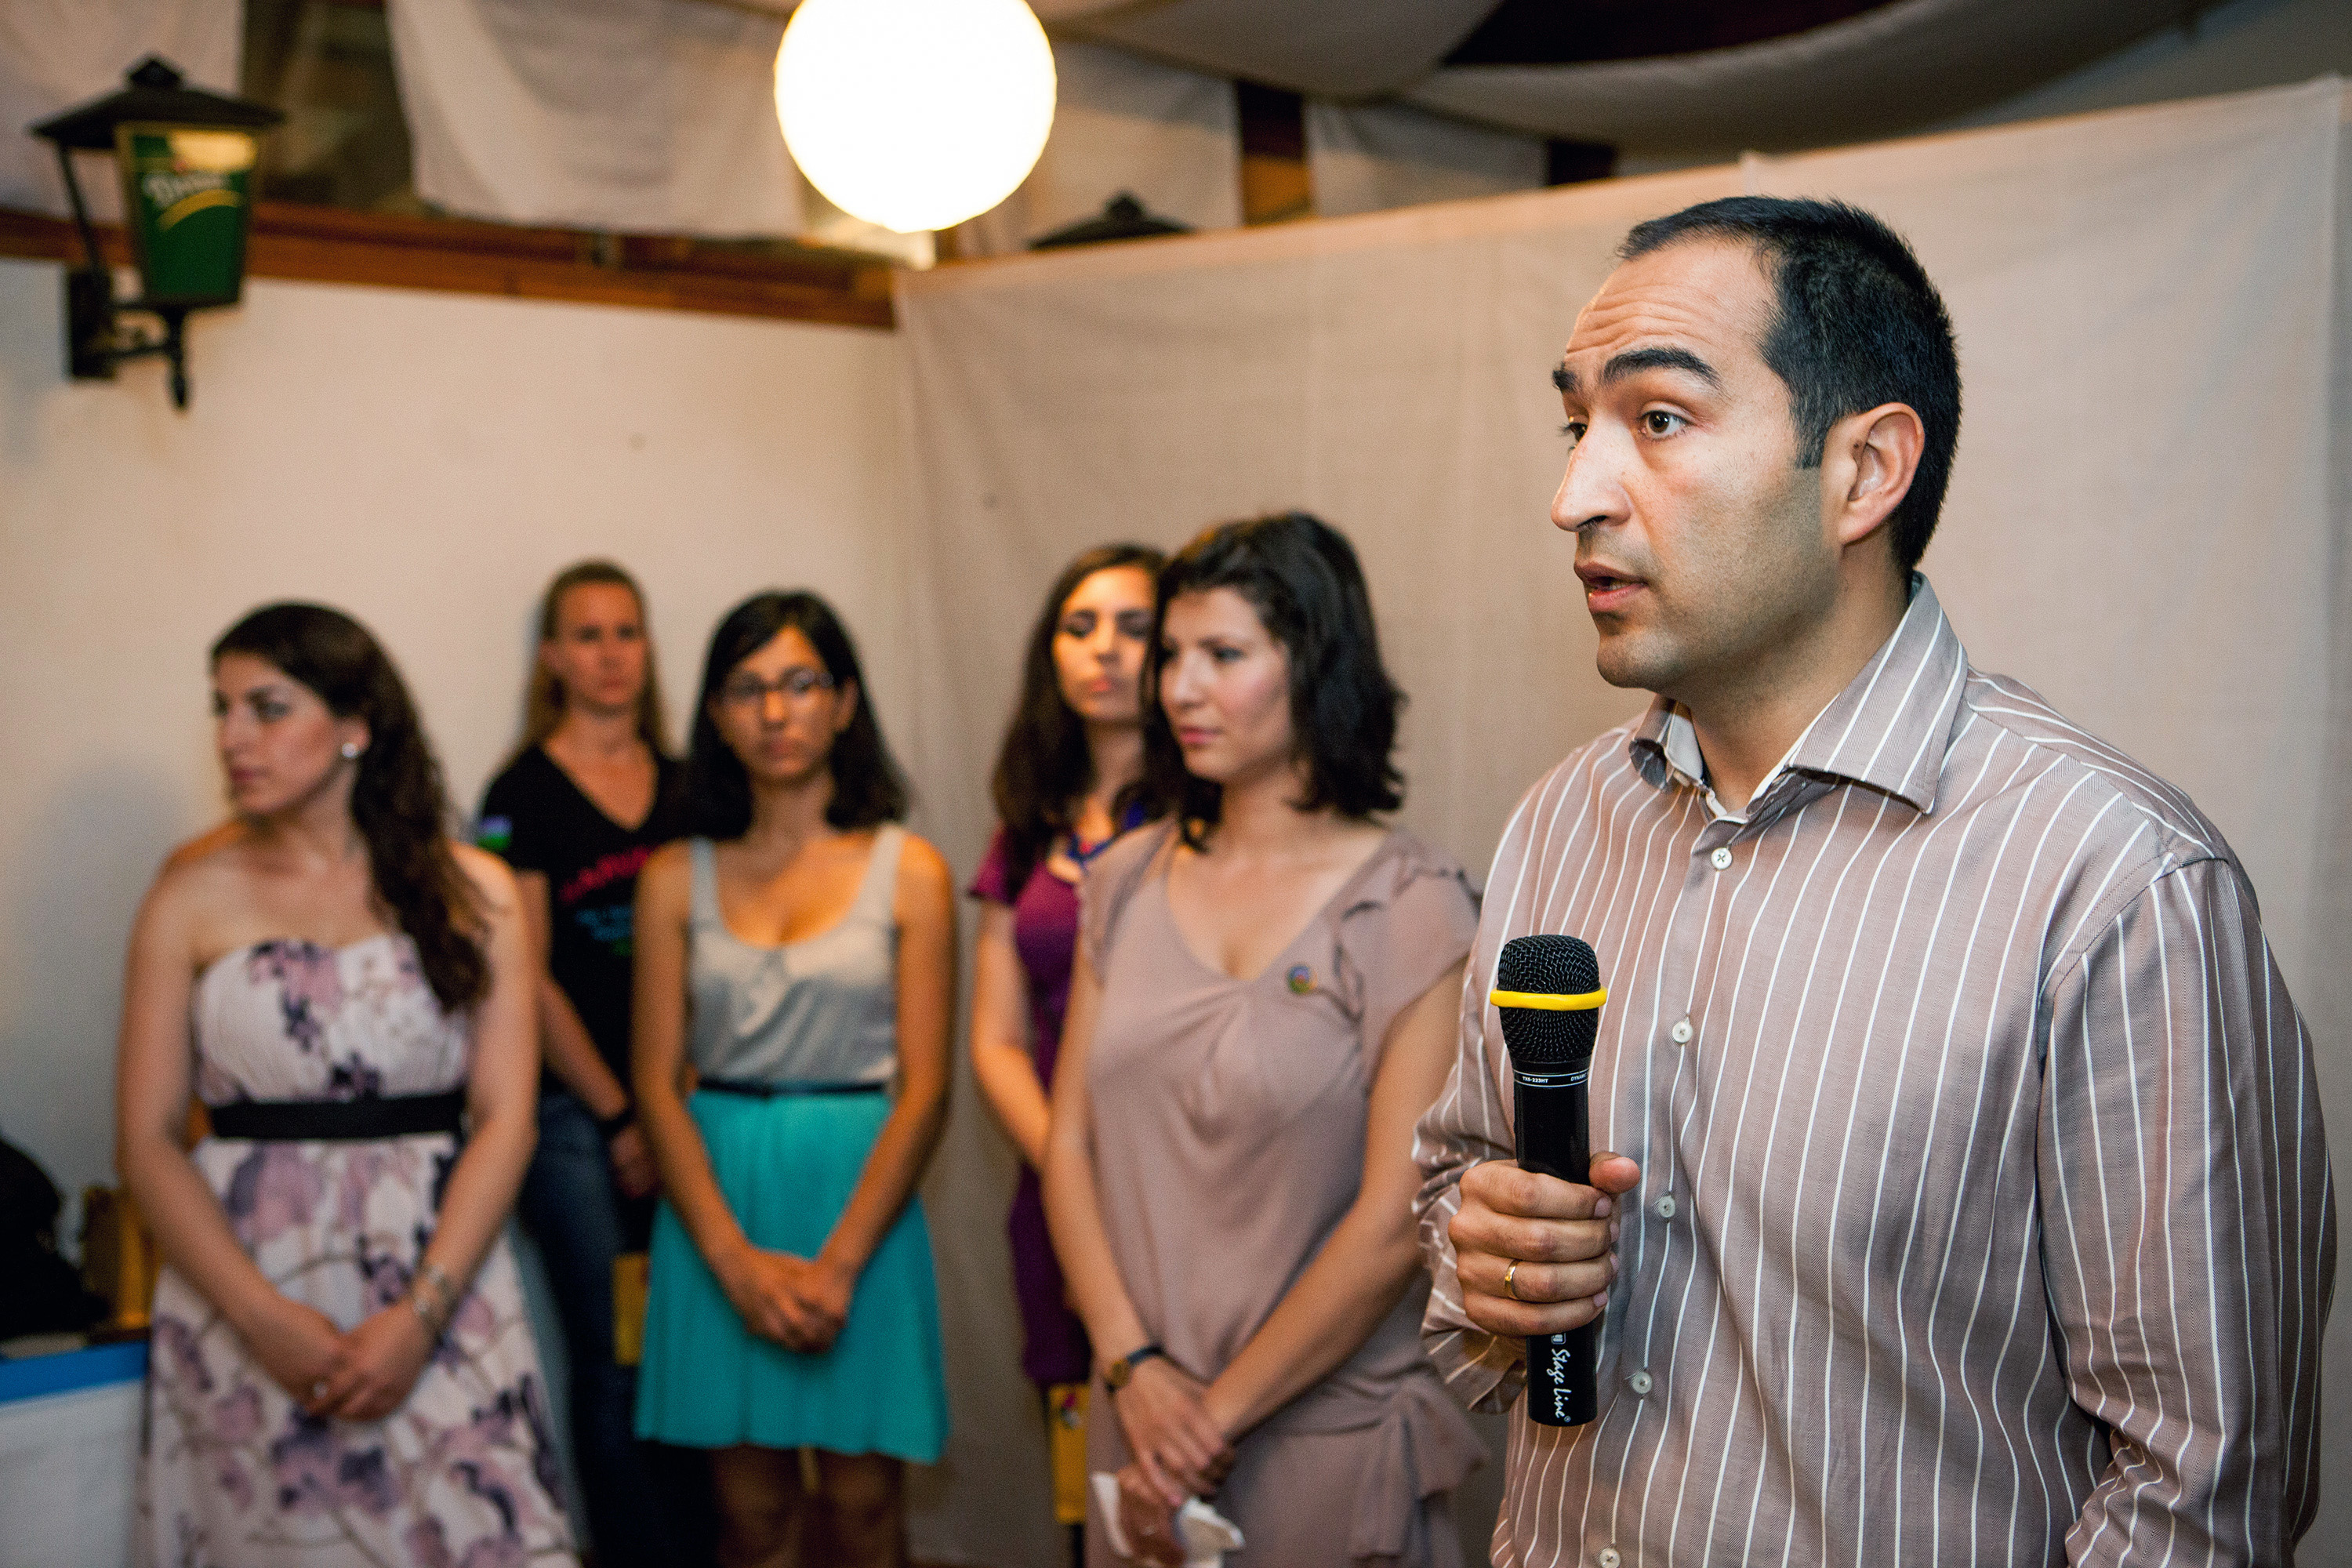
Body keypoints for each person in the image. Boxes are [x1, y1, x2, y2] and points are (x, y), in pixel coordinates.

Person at [1414, 197, 2334, 1566]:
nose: (1577, 497)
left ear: (1864, 471)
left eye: (1658, 419)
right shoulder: (1565, 820)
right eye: (1576, 427)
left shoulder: (2115, 883)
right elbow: (1460, 1179)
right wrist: (1487, 1254)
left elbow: (2202, 1489)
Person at [1045, 513, 1486, 1568]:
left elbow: (1394, 1219)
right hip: (1140, 1414)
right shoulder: (1125, 879)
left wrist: (1208, 1418)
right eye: (1173, 656)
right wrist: (1133, 1367)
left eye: (1224, 654)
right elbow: (1068, 1143)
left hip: (1318, 1434)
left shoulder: (1412, 907)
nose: (1179, 689)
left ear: (1316, 668)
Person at [116, 602, 575, 1567]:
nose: (233, 737)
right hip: (247, 1285)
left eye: (268, 707)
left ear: (356, 724)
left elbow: (507, 1116)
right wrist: (261, 1318)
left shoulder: (474, 890)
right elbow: (147, 1139)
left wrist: (421, 1314)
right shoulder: (187, 893)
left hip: (441, 1279)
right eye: (222, 708)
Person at [631, 590, 954, 1568]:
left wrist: (839, 1264)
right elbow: (654, 1081)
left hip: (860, 1197)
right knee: (752, 1519)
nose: (776, 712)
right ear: (716, 713)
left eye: (801, 683)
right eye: (748, 688)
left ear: (845, 702)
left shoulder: (911, 869)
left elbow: (928, 1089)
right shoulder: (672, 874)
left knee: (862, 1510)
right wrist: (734, 1263)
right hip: (716, 1200)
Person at [476, 561, 706, 1566]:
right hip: (577, 1123)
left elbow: (716, 954)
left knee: (689, 1353)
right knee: (615, 1362)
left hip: (688, 1106)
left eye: (626, 631)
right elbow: (522, 973)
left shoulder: (693, 784)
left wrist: (673, 1104)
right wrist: (620, 1114)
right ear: (552, 658)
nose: (610, 654)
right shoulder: (518, 794)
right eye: (587, 634)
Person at [967, 543, 1166, 1556]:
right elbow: (994, 1036)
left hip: (1179, 1180)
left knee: (1183, 1470)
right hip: (1052, 1176)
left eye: (1134, 627)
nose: (1105, 649)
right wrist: (1066, 1170)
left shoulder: (1207, 812)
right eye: (1080, 626)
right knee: (1084, 1488)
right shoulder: (1027, 824)